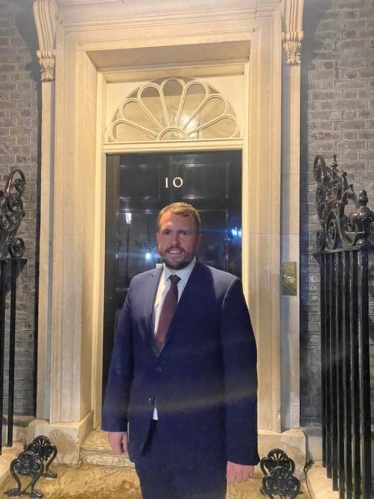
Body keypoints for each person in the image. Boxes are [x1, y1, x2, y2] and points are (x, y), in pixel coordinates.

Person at [102, 202, 259, 499]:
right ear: (157, 238)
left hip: (202, 440)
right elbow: (122, 361)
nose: (175, 241)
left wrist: (241, 450)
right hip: (147, 435)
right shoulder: (138, 286)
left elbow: (241, 378)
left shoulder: (224, 290)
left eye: (183, 233)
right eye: (167, 232)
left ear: (198, 239)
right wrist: (114, 422)